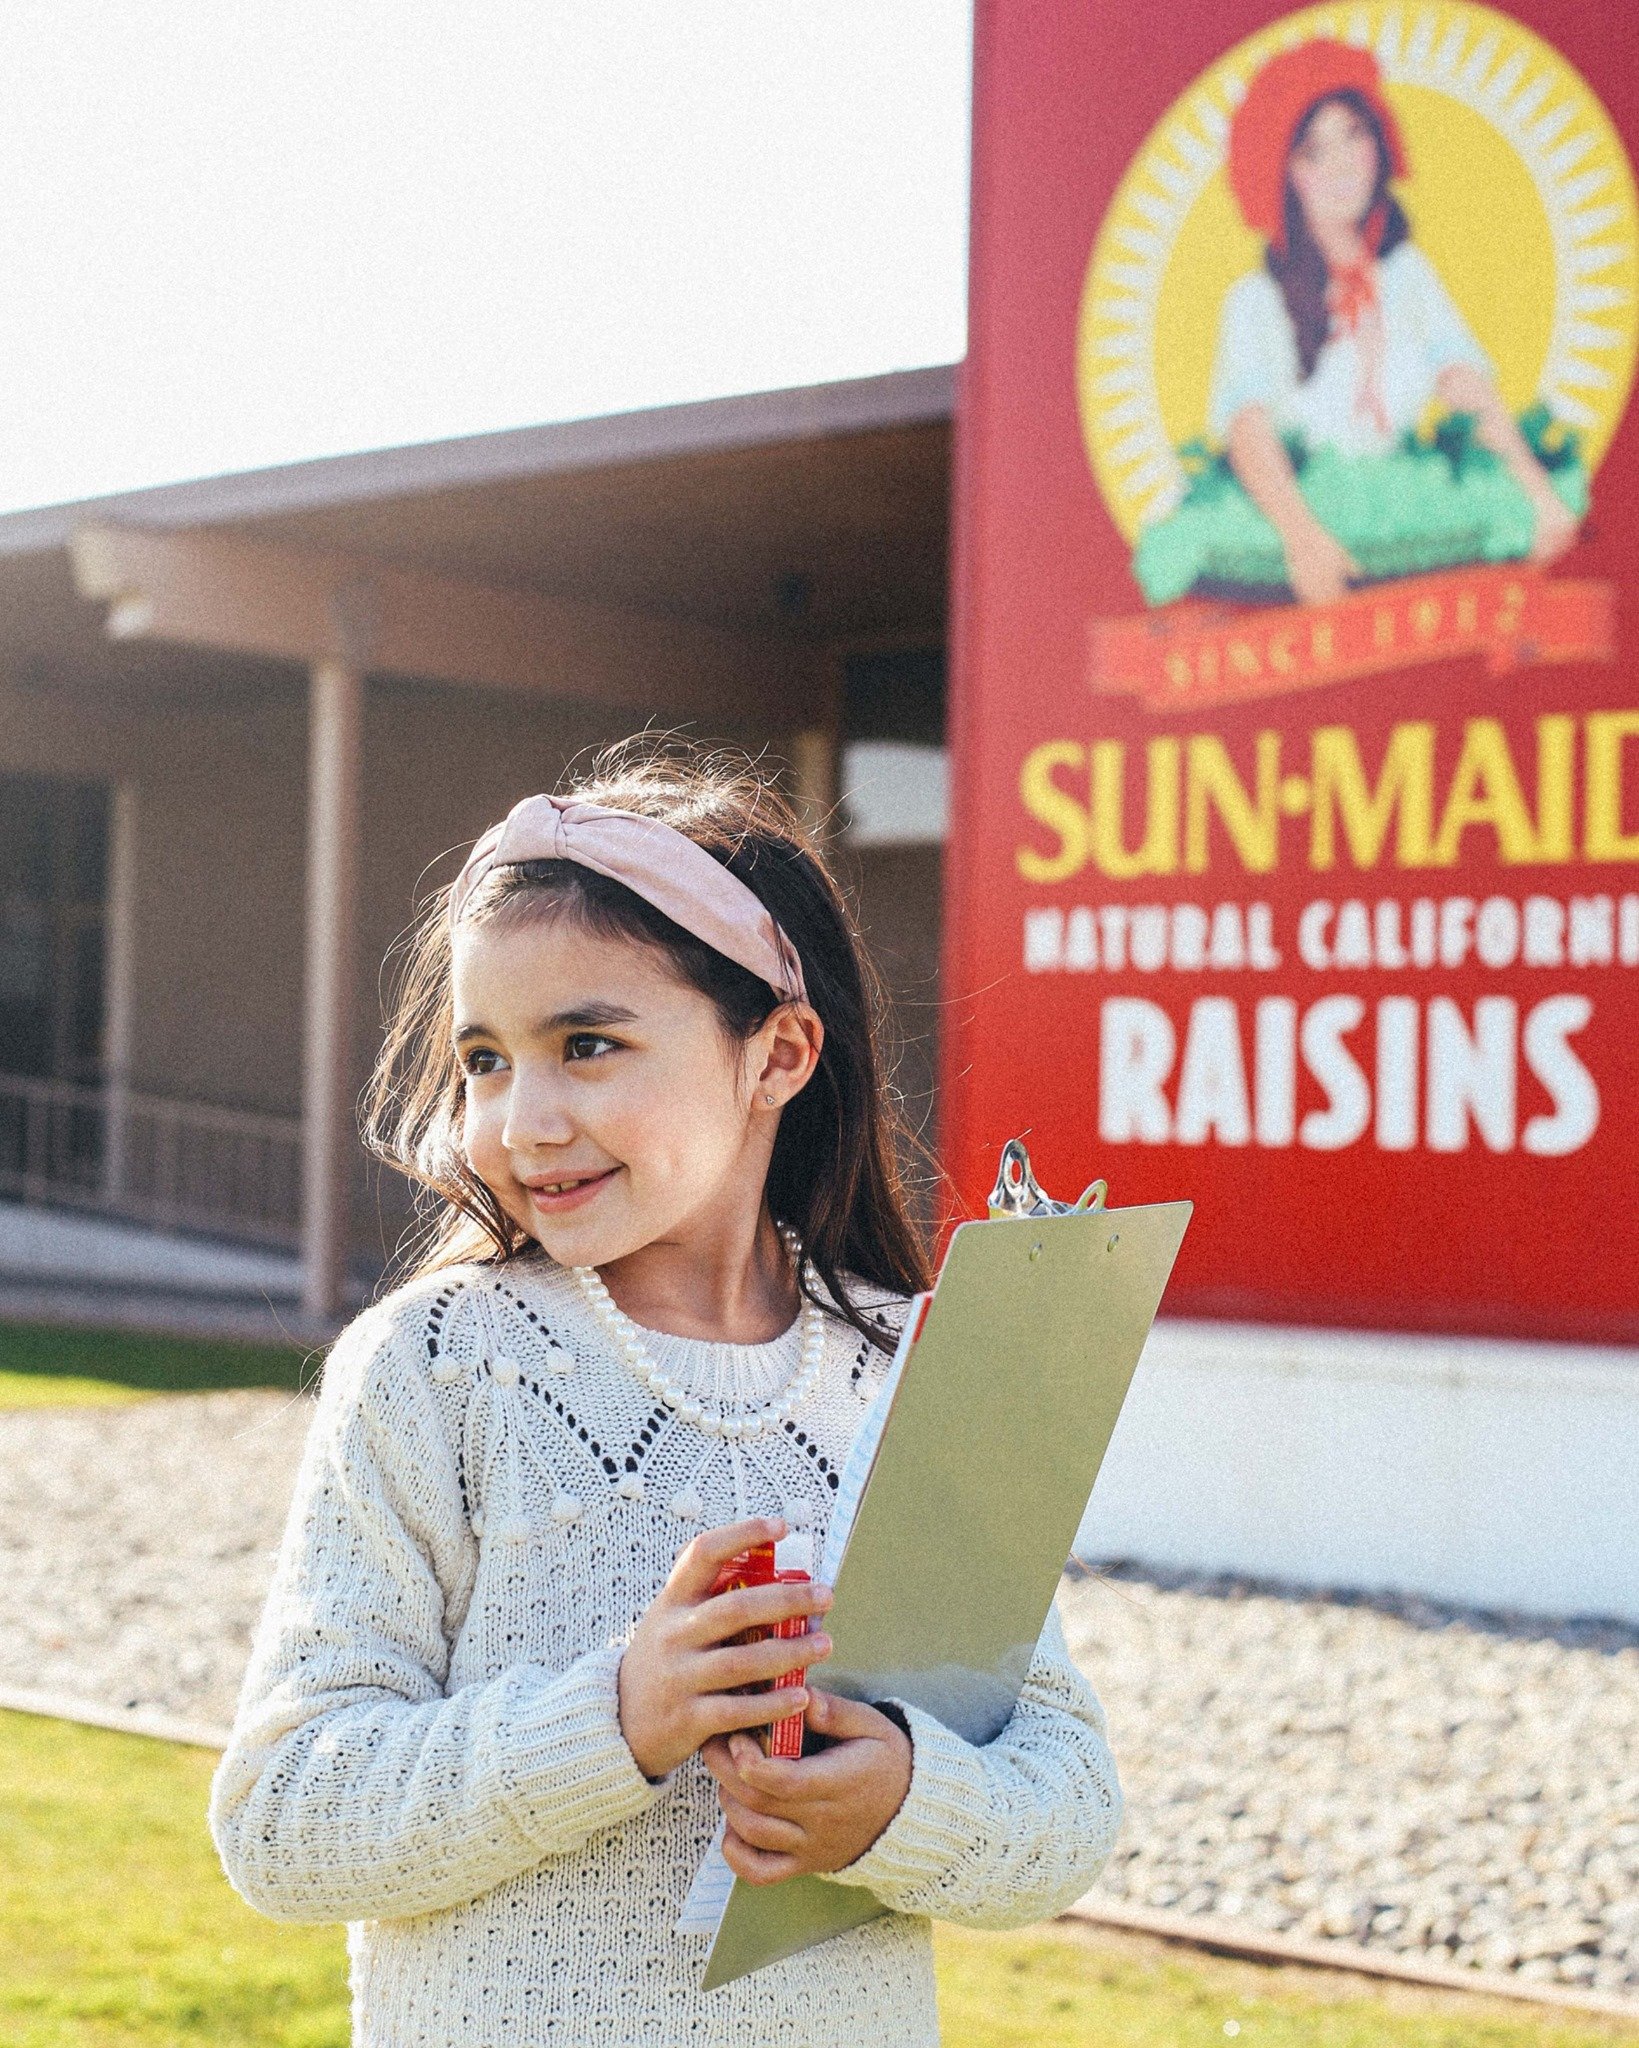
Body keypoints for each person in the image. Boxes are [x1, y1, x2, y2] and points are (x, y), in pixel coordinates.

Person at [208, 737, 1122, 2046]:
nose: (519, 1119)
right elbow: (284, 1820)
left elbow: (1068, 1796)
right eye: (482, 1057)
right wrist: (614, 1719)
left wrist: (906, 1803)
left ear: (779, 1055)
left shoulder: (903, 1374)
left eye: (586, 1044)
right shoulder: (437, 1367)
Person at [1210, 39, 1579, 604]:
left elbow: (1463, 384)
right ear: (1285, 175)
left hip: (1407, 500)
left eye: (1354, 135)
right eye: (1312, 151)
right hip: (1295, 515)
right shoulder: (1254, 300)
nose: (1341, 165)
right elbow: (1249, 432)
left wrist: (1538, 491)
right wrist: (1302, 538)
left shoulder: (1407, 274)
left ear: (1378, 144)